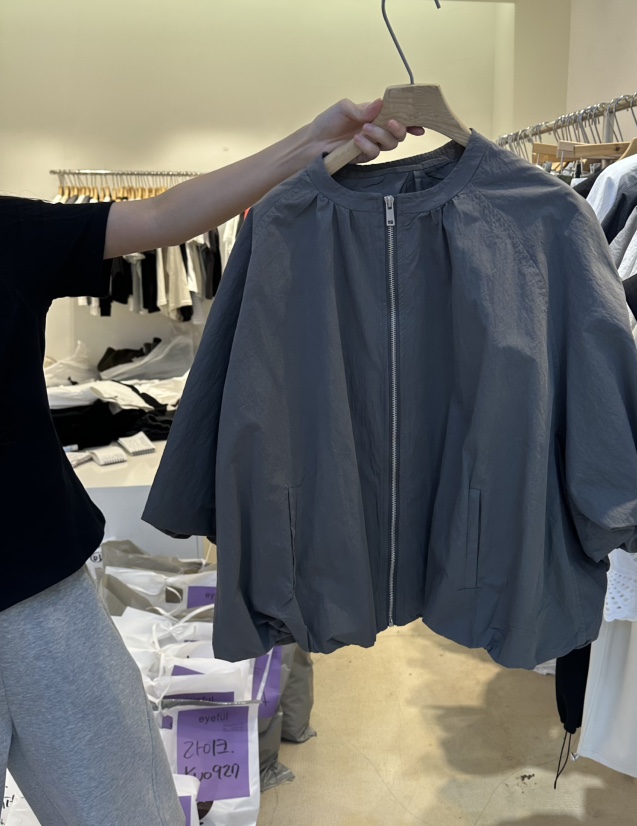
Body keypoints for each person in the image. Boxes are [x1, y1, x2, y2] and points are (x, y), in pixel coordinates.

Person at [0, 99, 422, 825]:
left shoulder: (6, 232)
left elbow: (162, 217)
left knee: (132, 810)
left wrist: (311, 142)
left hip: (40, 594)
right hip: (43, 590)